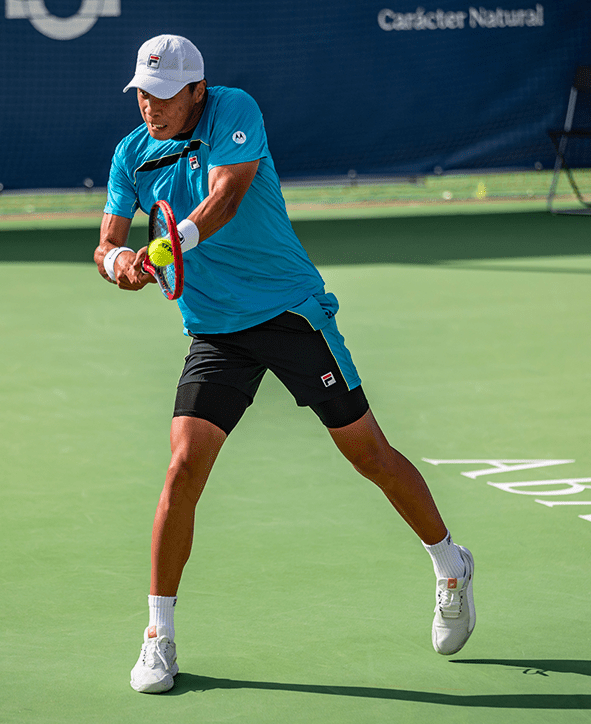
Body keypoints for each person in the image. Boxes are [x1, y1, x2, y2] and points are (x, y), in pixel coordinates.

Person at [95, 34, 475, 694]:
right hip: (215, 332)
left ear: (196, 92)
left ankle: (450, 564)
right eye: (141, 95)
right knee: (183, 465)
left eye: (161, 96)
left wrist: (162, 250)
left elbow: (226, 197)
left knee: (370, 456)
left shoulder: (234, 110)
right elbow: (106, 240)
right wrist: (117, 263)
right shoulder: (131, 154)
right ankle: (159, 635)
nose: (149, 107)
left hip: (290, 314)